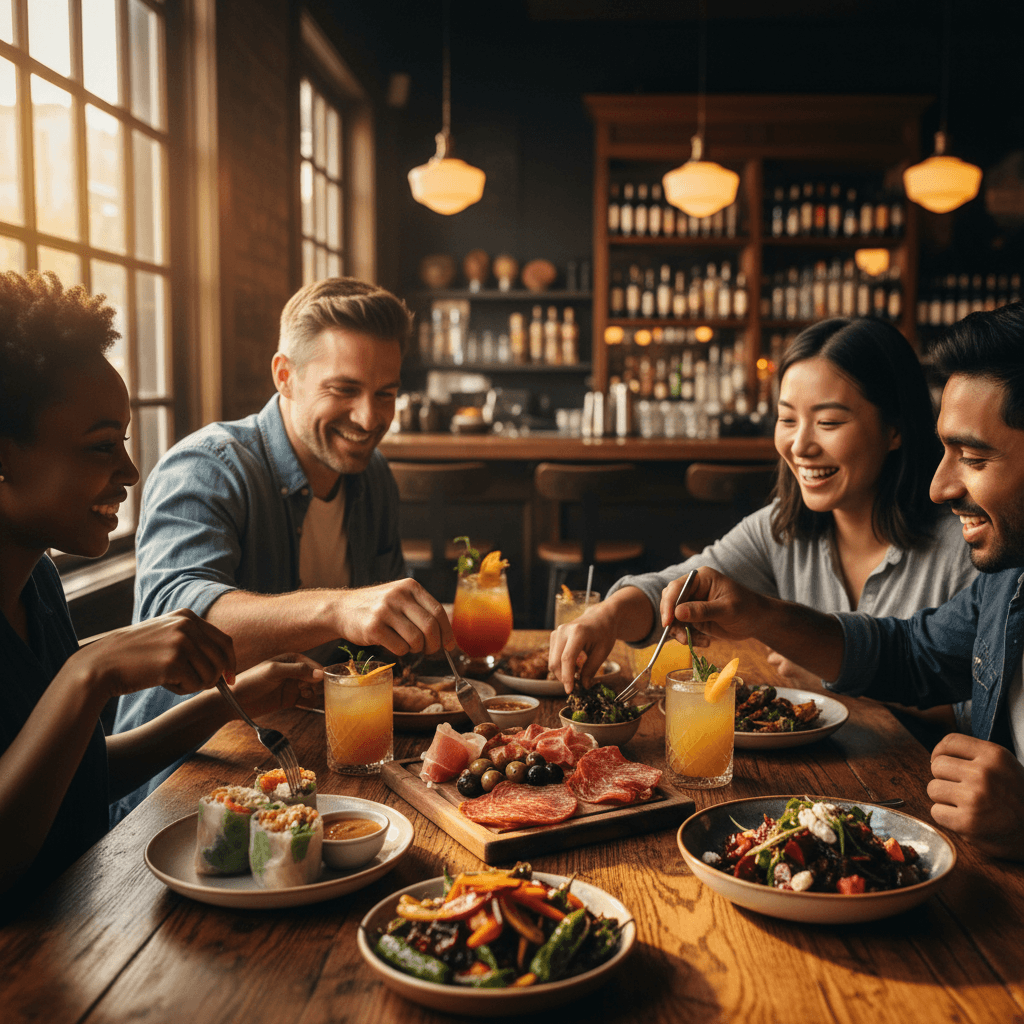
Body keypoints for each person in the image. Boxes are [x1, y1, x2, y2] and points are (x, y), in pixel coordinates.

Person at [0, 271, 322, 906]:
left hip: (87, 918)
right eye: (100, 448)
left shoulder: (35, 582)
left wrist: (229, 702)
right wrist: (90, 671)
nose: (130, 470)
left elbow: (84, 773)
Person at [657, 302, 1024, 859]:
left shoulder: (977, 551)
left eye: (972, 456)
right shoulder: (1007, 579)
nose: (940, 487)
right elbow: (910, 655)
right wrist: (760, 614)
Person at [113, 276, 453, 815]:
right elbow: (173, 627)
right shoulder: (206, 467)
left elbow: (374, 650)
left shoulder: (374, 478)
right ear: (285, 376)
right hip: (183, 786)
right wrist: (339, 608)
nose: (370, 419)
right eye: (344, 390)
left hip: (311, 763)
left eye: (385, 393)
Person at [550, 318, 977, 726]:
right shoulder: (780, 529)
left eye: (828, 422)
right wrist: (605, 616)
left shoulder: (966, 546)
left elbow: (977, 712)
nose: (800, 444)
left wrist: (830, 671)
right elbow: (681, 584)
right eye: (787, 419)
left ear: (895, 430)